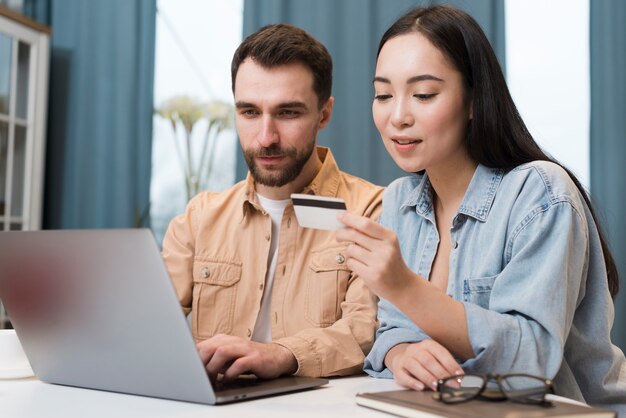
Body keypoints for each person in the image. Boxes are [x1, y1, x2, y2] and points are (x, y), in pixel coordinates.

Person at [335, 5, 626, 413]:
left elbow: (534, 359)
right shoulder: (400, 200)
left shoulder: (539, 192)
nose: (397, 116)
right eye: (383, 95)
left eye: (423, 95)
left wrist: (403, 284)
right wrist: (400, 353)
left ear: (473, 101)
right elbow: (391, 328)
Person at [162, 23, 383, 381]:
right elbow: (146, 324)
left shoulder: (371, 210)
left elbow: (367, 330)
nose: (265, 138)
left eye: (288, 113)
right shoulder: (200, 217)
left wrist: (281, 354)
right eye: (249, 112)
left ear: (323, 114)